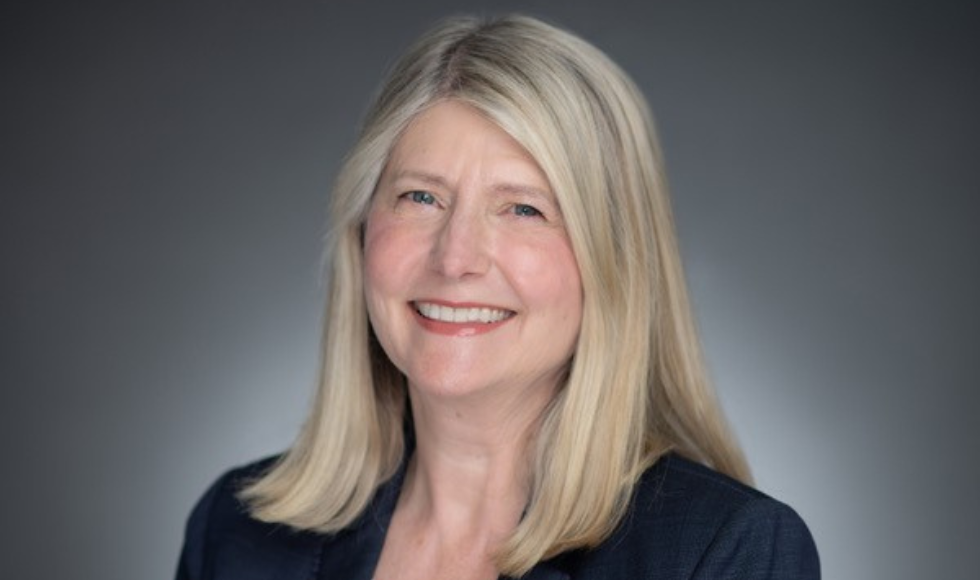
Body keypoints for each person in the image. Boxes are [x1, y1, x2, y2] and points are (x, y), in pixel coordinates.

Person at [175, 14, 819, 580]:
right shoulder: (234, 535)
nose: (455, 259)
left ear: (615, 261)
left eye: (523, 209)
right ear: (361, 229)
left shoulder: (722, 554)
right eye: (420, 197)